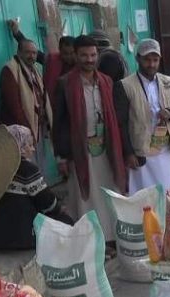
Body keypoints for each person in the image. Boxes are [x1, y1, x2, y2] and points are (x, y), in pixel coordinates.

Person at [52, 35, 129, 247]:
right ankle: (90, 240)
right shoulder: (65, 83)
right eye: (84, 55)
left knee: (108, 191)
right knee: (85, 197)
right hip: (80, 151)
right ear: (76, 56)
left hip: (106, 147)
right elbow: (59, 123)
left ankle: (111, 238)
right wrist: (62, 156)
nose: (89, 59)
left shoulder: (106, 81)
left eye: (93, 55)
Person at [0, 125, 72, 250]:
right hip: (23, 237)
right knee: (65, 221)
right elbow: (47, 202)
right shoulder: (27, 169)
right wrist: (59, 209)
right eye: (29, 145)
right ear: (21, 148)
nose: (33, 149)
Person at [114, 39, 170, 194]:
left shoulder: (168, 82)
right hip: (142, 152)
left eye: (155, 60)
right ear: (138, 59)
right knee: (146, 197)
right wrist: (129, 153)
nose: (151, 64)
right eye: (147, 59)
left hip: (167, 150)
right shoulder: (125, 86)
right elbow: (121, 123)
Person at [0, 38, 53, 169]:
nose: (32, 56)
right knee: (29, 164)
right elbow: (14, 105)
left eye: (34, 53)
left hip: (37, 125)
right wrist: (27, 129)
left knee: (40, 162)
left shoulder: (34, 69)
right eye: (28, 52)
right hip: (22, 129)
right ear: (19, 52)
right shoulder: (10, 70)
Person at [7, 20, 76, 101]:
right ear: (59, 50)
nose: (69, 56)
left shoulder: (81, 64)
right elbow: (31, 50)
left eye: (72, 53)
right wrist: (16, 32)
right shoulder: (51, 60)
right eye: (65, 53)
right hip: (52, 102)